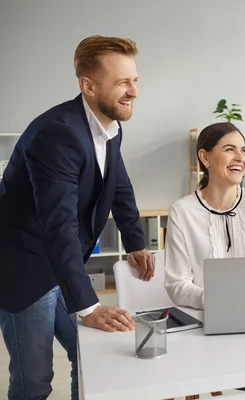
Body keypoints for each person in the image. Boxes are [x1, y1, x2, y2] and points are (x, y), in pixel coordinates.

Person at [0, 35, 155, 400]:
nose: (133, 91)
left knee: (88, 358)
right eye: (122, 82)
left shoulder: (109, 124)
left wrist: (134, 241)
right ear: (88, 86)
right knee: (34, 381)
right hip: (25, 267)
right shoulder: (57, 135)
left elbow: (119, 183)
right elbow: (59, 224)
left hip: (61, 264)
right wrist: (89, 307)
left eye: (135, 81)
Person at [165, 122, 245, 309]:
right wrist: (215, 300)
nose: (240, 158)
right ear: (205, 157)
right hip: (206, 317)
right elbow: (177, 284)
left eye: (243, 151)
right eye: (229, 150)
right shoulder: (182, 211)